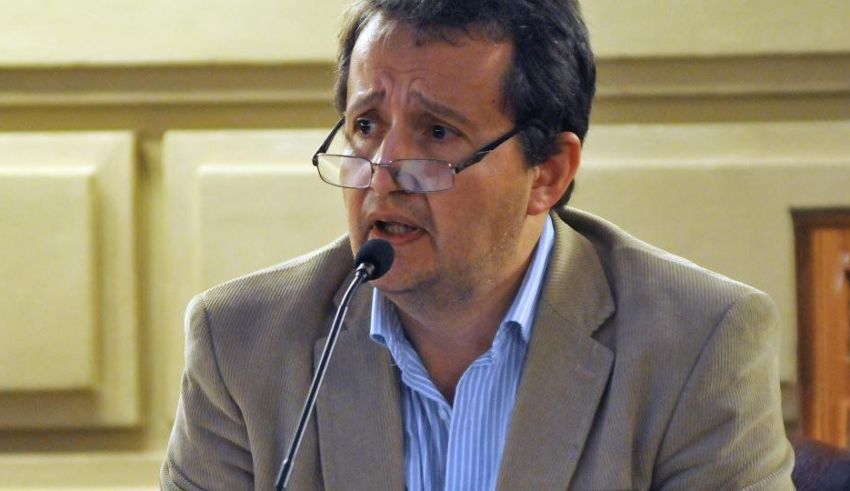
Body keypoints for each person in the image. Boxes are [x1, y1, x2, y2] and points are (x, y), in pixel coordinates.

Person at [161, 0, 795, 489]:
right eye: (366, 126)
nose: (382, 175)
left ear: (547, 174)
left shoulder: (697, 342)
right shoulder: (243, 343)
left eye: (437, 132)